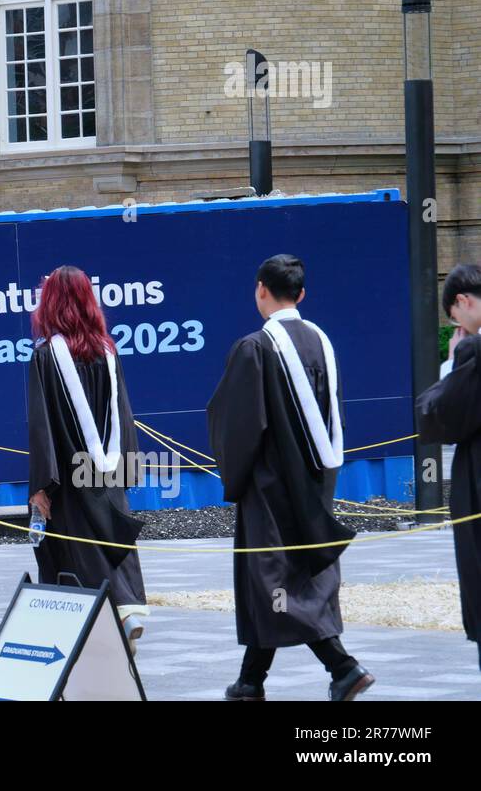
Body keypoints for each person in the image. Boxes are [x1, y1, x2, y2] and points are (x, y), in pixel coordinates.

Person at [208, 254, 373, 701]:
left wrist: (234, 475)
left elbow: (237, 424)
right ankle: (250, 682)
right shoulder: (322, 342)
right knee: (295, 575)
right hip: (316, 483)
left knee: (272, 580)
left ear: (261, 289)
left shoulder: (256, 347)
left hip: (269, 488)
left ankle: (342, 665)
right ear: (301, 294)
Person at [25, 266, 148, 644]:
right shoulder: (107, 354)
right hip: (107, 471)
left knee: (77, 550)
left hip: (68, 474)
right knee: (112, 538)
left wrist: (42, 485)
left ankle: (108, 619)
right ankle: (128, 610)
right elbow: (124, 414)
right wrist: (123, 469)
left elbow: (42, 427)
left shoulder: (45, 358)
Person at [415, 263, 481, 669]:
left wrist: (455, 360)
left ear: (461, 302)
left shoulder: (472, 351)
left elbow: (440, 414)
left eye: (454, 318)